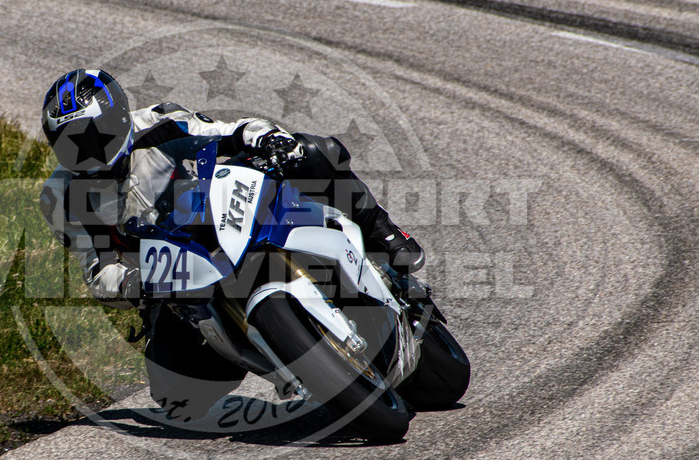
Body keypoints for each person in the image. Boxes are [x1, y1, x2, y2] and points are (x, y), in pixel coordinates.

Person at [38, 69, 423, 422]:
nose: (87, 153)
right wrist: (135, 284)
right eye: (71, 145)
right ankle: (289, 366)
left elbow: (228, 130)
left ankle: (383, 234)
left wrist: (265, 137)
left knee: (313, 152)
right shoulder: (61, 197)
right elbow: (97, 270)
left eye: (93, 136)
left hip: (215, 210)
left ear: (118, 117)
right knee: (178, 394)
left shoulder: (158, 122)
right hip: (172, 274)